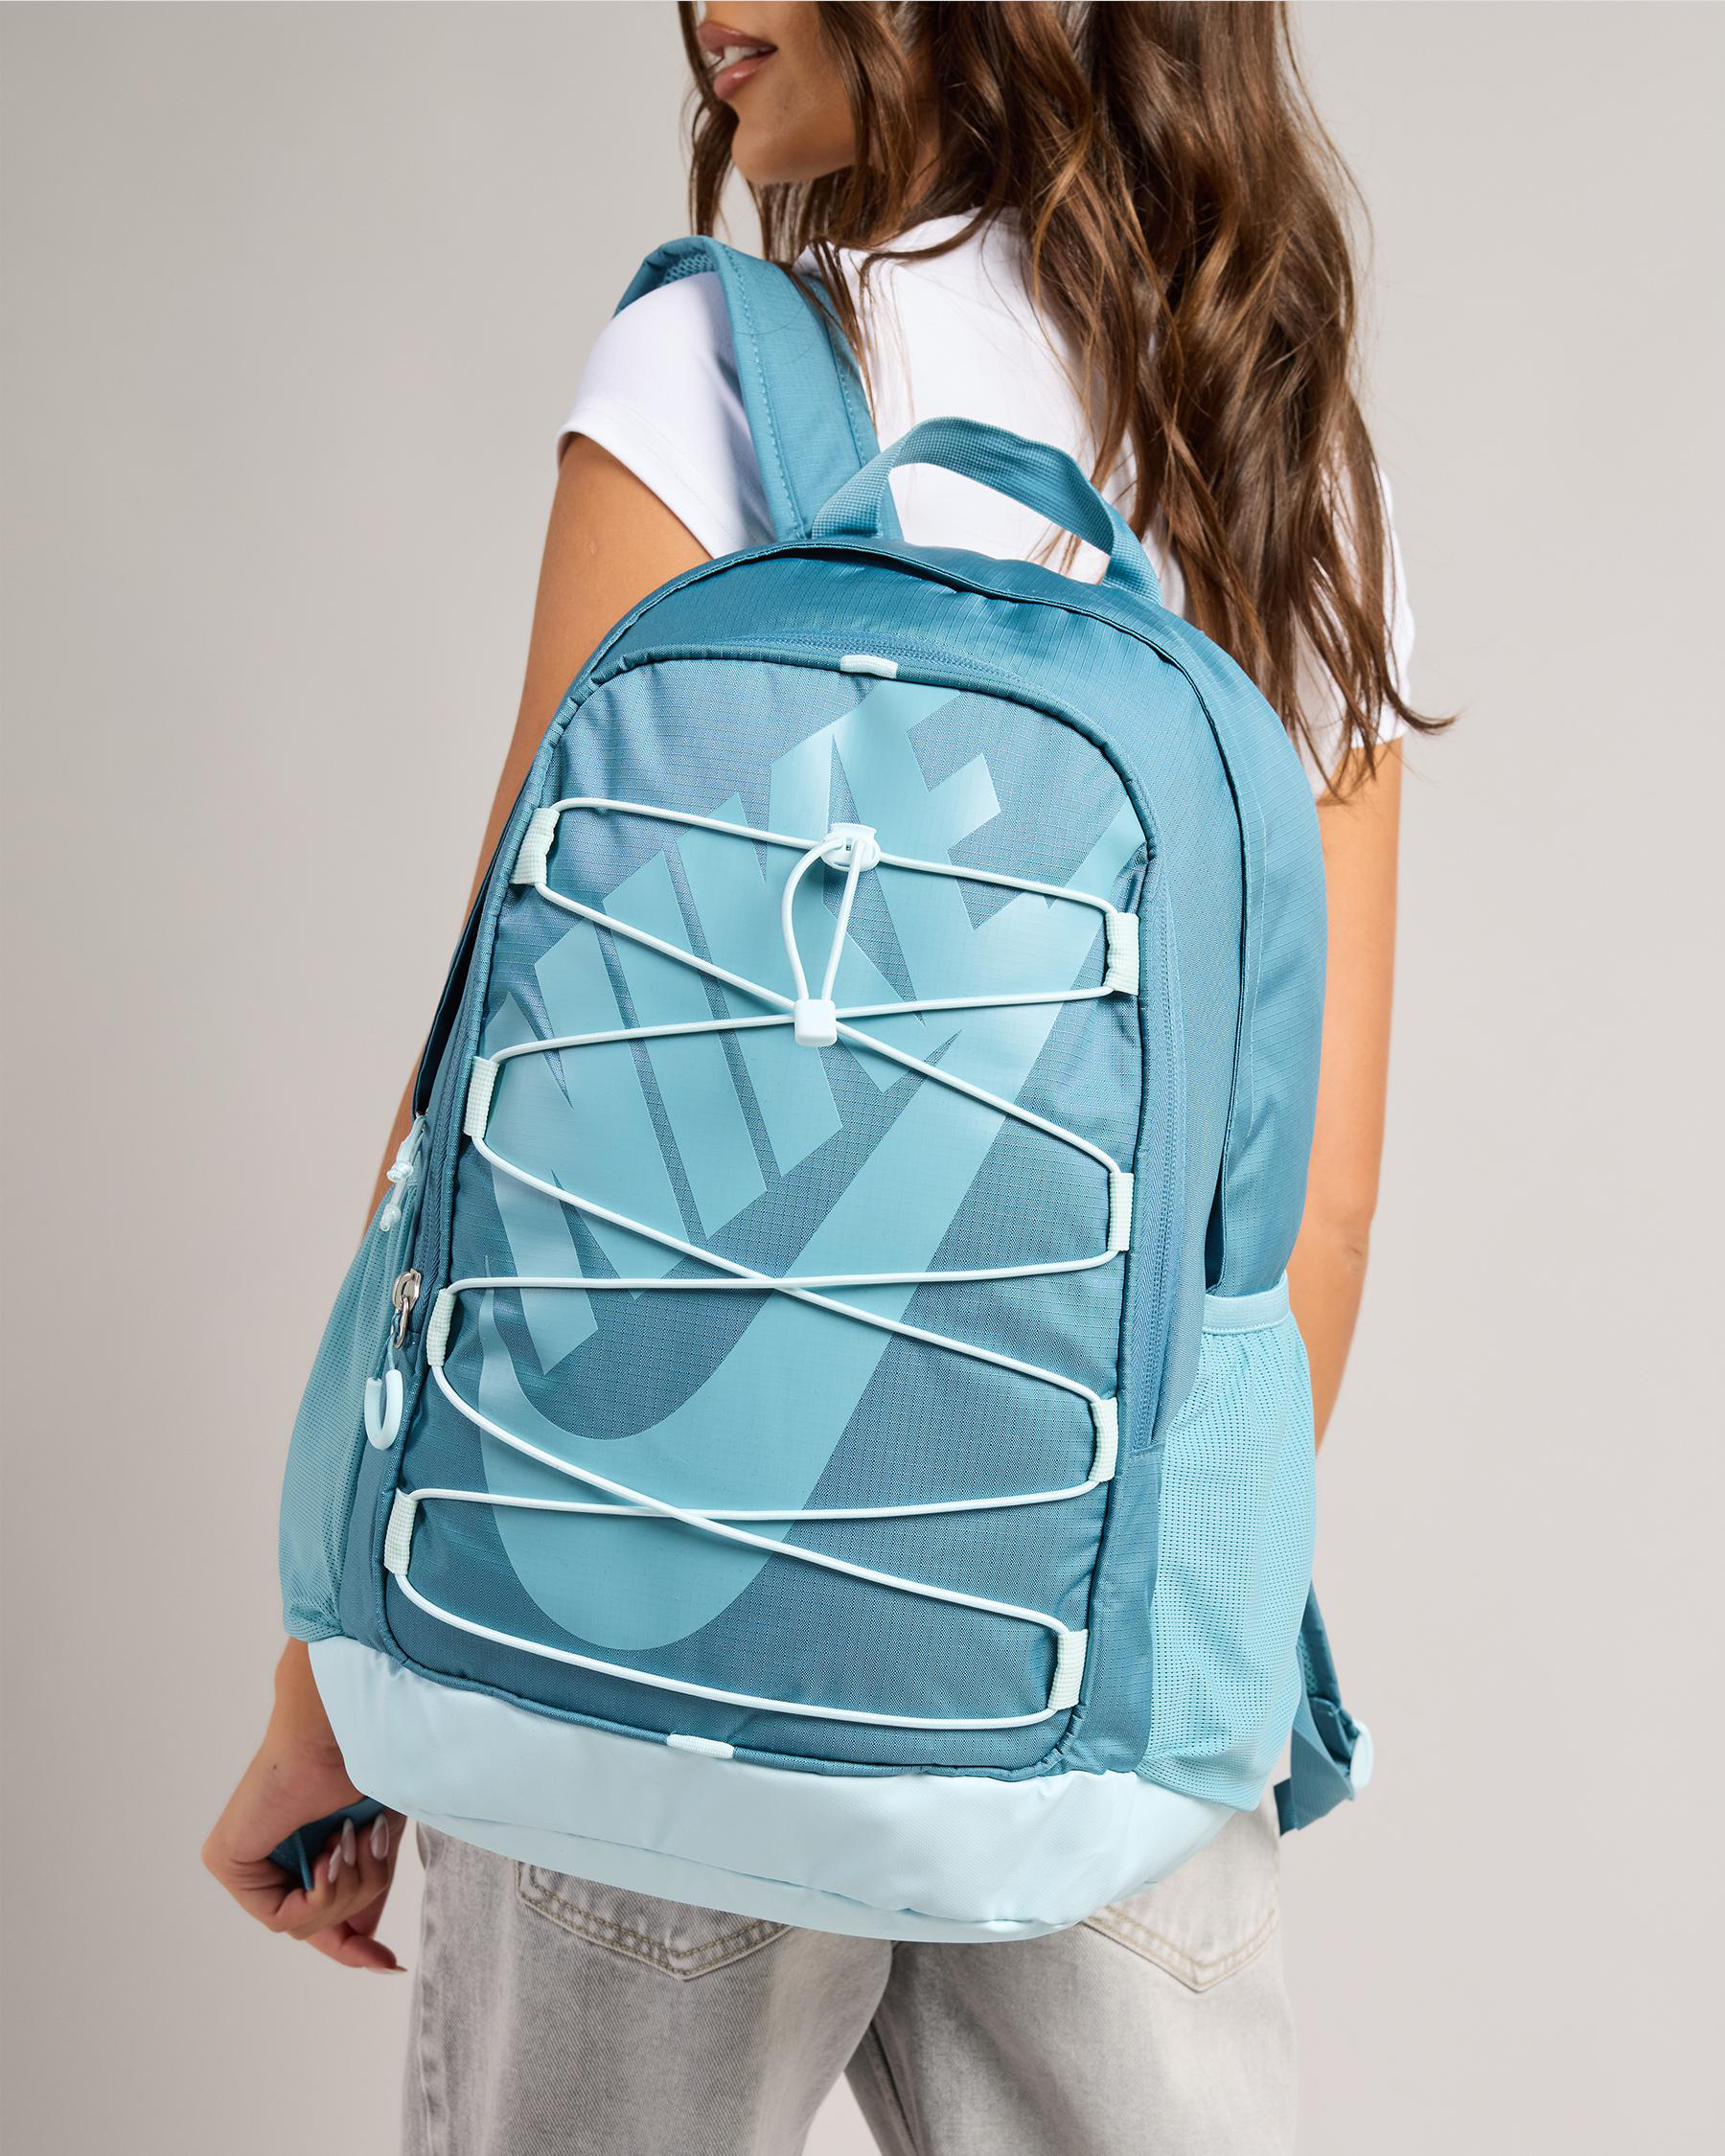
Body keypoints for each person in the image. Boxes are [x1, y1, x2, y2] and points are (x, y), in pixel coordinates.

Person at [205, 7, 1438, 2149]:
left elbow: (510, 1081)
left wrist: (328, 1682)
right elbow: (1309, 1210)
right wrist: (1139, 1653)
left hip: (641, 1650)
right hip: (1084, 1686)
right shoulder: (1281, 444)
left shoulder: (713, 363)